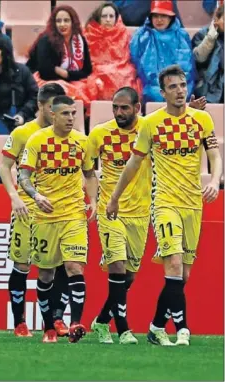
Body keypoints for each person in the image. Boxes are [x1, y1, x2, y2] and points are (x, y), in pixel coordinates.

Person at [107, 65, 223, 346]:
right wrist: (114, 197)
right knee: (172, 262)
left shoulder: (202, 119)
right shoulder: (151, 123)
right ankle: (183, 328)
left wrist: (215, 180)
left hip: (193, 203)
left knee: (183, 274)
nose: (180, 91)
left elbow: (215, 155)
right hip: (164, 202)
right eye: (173, 87)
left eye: (183, 85)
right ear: (163, 92)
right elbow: (134, 163)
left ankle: (157, 326)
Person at [19, 95, 96, 343]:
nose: (71, 118)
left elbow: (90, 174)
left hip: (73, 214)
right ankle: (49, 327)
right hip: (45, 216)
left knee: (75, 266)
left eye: (73, 113)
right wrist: (36, 195)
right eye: (65, 113)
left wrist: (93, 200)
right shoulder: (37, 140)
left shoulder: (82, 142)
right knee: (46, 274)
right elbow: (24, 177)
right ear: (53, 115)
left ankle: (75, 323)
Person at [0, 84, 70, 338]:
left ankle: (56, 320)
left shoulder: (67, 133)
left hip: (58, 210)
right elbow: (5, 165)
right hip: (27, 209)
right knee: (22, 264)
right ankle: (19, 322)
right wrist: (14, 197)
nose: (57, 113)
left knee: (59, 264)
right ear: (40, 105)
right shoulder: (23, 133)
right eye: (52, 107)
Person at [83, 87, 151, 345]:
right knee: (118, 266)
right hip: (110, 211)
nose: (119, 112)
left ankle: (101, 321)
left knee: (128, 277)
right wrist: (93, 199)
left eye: (124, 108)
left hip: (140, 212)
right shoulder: (100, 133)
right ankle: (123, 330)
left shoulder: (148, 130)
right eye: (115, 107)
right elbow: (88, 170)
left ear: (137, 108)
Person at [26, 5, 93, 109]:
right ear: (54, 23)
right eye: (58, 21)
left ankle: (84, 121)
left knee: (92, 86)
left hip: (70, 79)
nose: (62, 24)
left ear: (73, 22)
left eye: (66, 20)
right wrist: (62, 74)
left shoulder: (80, 40)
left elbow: (87, 70)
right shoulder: (46, 40)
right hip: (44, 79)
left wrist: (66, 74)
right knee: (63, 90)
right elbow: (45, 72)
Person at [130, 0, 196, 103]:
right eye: (155, 16)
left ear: (170, 17)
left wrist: (174, 88)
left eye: (163, 16)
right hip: (151, 90)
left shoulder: (181, 36)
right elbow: (140, 67)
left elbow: (186, 69)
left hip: (177, 88)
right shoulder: (142, 36)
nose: (159, 20)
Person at [84, 2, 142, 101]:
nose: (108, 19)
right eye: (104, 16)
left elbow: (128, 58)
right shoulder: (89, 34)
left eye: (111, 16)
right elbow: (87, 61)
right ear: (98, 18)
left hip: (122, 69)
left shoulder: (125, 34)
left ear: (116, 18)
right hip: (96, 71)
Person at [192, 4, 224, 103]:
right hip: (206, 90)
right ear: (216, 20)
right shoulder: (202, 35)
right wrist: (210, 38)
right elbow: (198, 59)